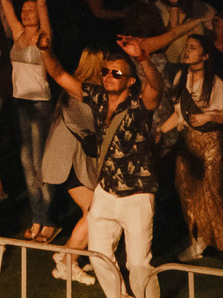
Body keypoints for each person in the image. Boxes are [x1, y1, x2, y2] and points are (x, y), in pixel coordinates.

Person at [84, 35, 167, 298]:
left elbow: (157, 86)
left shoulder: (140, 105)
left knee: (138, 264)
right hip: (106, 192)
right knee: (98, 255)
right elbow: (60, 75)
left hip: (137, 195)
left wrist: (142, 57)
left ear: (130, 81)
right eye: (105, 72)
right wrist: (46, 51)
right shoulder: (97, 98)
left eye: (116, 73)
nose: (108, 76)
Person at [158, 33, 223, 269]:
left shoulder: (215, 83)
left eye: (193, 47)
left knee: (212, 199)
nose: (187, 50)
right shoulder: (180, 77)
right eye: (186, 46)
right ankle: (198, 242)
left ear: (205, 55)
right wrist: (159, 131)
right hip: (187, 144)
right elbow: (178, 114)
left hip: (209, 145)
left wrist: (208, 116)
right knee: (186, 194)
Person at [0, 0, 60, 242]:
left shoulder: (43, 35)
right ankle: (37, 218)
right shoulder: (18, 33)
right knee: (26, 163)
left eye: (31, 10)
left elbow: (43, 3)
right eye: (25, 10)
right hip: (20, 103)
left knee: (41, 162)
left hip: (40, 104)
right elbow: (5, 1)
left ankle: (48, 220)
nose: (26, 13)